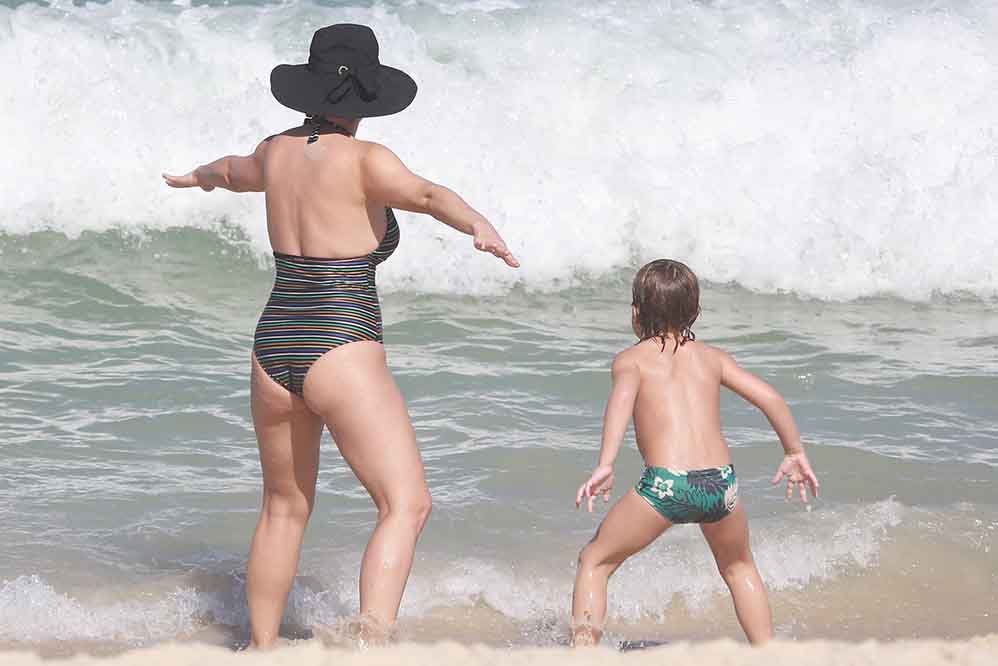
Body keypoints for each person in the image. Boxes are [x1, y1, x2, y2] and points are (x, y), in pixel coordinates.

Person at [163, 24, 518, 649]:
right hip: (341, 341)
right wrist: (479, 224)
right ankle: (370, 642)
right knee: (406, 505)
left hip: (273, 345)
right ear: (366, 95)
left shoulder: (274, 152)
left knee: (282, 509)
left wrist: (198, 177)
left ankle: (262, 650)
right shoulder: (366, 160)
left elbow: (229, 170)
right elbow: (429, 195)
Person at [571, 259, 818, 646]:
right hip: (721, 484)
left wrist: (606, 463)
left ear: (636, 314)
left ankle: (581, 653)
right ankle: (769, 652)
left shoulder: (631, 360)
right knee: (738, 567)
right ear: (695, 311)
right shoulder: (713, 358)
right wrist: (794, 451)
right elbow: (769, 396)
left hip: (667, 485)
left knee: (594, 561)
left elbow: (618, 409)